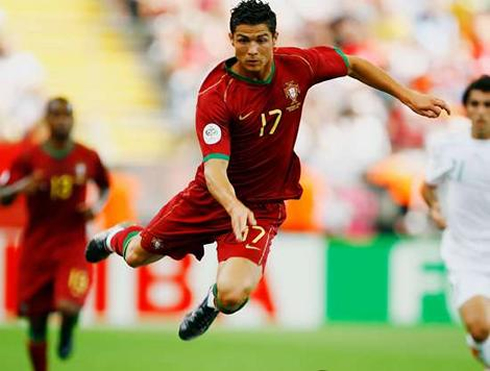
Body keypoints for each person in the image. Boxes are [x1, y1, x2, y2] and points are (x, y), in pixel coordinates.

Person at [86, 0, 450, 341]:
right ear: (231, 40)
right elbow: (214, 172)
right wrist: (232, 207)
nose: (253, 50)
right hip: (212, 198)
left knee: (233, 296)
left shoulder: (299, 66)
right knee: (137, 256)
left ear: (275, 38)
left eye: (261, 40)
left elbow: (353, 64)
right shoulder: (216, 95)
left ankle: (211, 304)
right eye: (243, 41)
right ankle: (115, 237)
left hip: (261, 204)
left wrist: (409, 96)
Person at [0, 97, 110, 371]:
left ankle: (67, 331)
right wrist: (23, 186)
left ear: (73, 120)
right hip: (37, 246)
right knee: (36, 322)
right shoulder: (29, 157)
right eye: (56, 116)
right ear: (47, 121)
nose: (62, 120)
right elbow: (3, 195)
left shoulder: (87, 155)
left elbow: (105, 187)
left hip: (72, 244)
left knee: (69, 306)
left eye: (67, 116)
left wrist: (95, 206)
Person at [421, 75, 490, 369]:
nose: (481, 111)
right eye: (474, 104)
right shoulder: (449, 146)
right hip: (465, 253)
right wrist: (435, 209)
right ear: (466, 108)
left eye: (488, 105)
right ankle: (477, 342)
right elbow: (428, 186)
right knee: (480, 327)